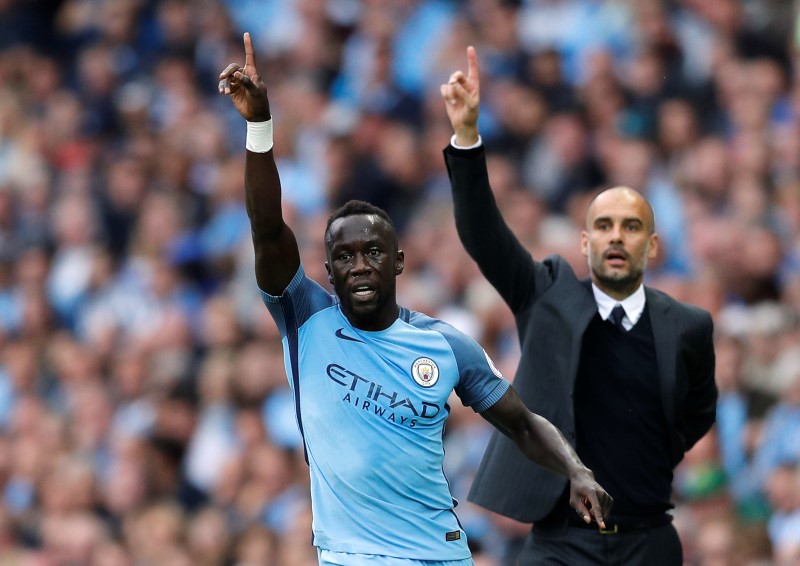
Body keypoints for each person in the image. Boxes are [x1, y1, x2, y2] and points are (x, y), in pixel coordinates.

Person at [217, 33, 613, 566]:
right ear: (327, 270)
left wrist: (577, 470)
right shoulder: (304, 317)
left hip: (443, 554)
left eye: (373, 252)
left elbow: (521, 423)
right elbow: (267, 228)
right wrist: (260, 126)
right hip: (354, 555)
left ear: (398, 261)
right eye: (345, 256)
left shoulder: (445, 344)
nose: (359, 265)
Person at [440, 47, 717, 565]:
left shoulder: (688, 327)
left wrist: (649, 457)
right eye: (604, 227)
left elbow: (696, 415)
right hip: (559, 543)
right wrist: (467, 140)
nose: (616, 237)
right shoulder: (545, 294)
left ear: (652, 246)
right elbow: (484, 235)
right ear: (585, 243)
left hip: (648, 540)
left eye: (631, 227)